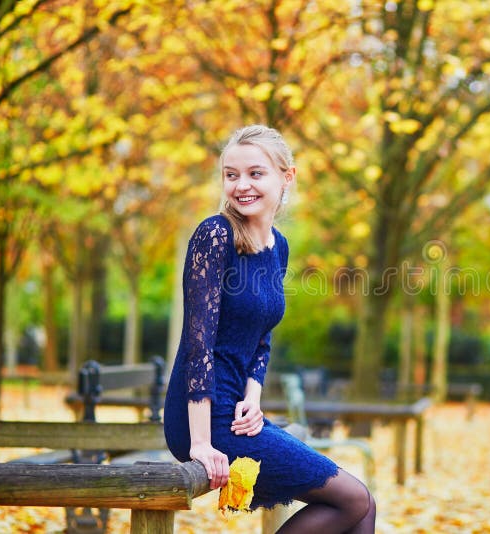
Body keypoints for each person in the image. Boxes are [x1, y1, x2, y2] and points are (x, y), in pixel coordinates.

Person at [164, 125, 375, 533]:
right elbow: (198, 344)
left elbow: (262, 335)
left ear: (286, 176)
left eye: (255, 173)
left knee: (361, 506)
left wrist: (254, 394)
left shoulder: (277, 246)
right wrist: (202, 443)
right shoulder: (214, 235)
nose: (241, 185)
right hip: (203, 420)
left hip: (240, 414)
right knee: (354, 499)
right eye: (231, 174)